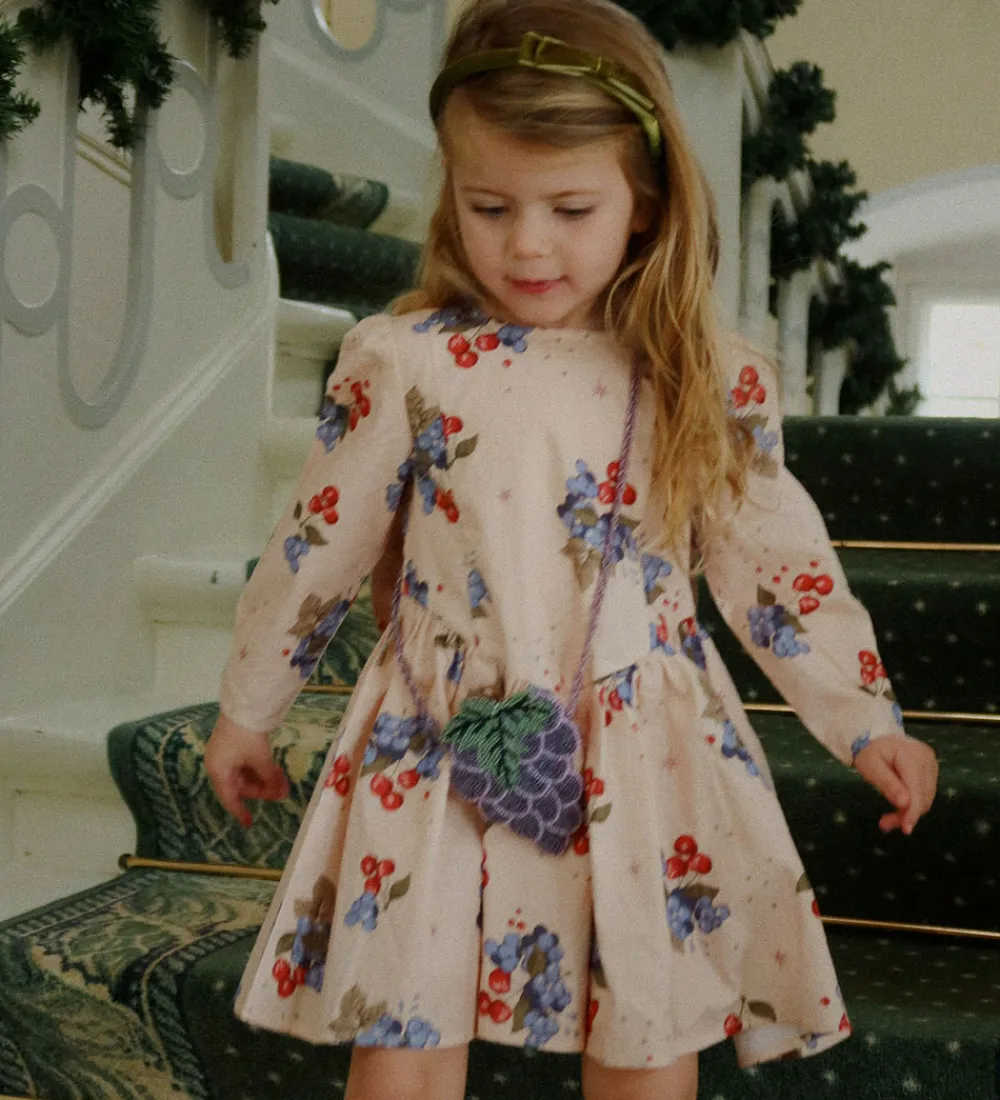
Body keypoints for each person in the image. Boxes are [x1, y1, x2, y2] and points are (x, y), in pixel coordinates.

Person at [205, 1, 938, 1098]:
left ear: (646, 203)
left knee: (643, 1022)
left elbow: (777, 567)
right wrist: (248, 710)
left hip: (639, 740)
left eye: (571, 208)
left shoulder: (704, 376)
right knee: (401, 1019)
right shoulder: (404, 359)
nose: (527, 244)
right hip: (435, 729)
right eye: (490, 205)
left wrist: (864, 716)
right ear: (452, 193)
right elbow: (315, 547)